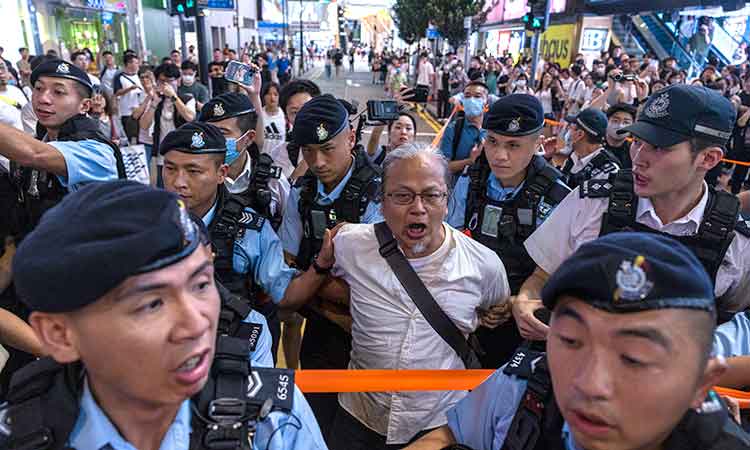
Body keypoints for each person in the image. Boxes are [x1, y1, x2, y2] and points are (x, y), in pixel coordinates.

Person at [0, 180, 329, 450]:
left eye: (200, 284)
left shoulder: (273, 420)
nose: (196, 323)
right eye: (152, 304)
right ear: (60, 334)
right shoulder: (18, 435)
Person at [406, 232, 750, 450]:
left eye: (633, 358)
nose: (588, 383)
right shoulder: (524, 387)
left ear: (700, 383)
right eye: (571, 340)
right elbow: (449, 436)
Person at [516, 84, 750, 343]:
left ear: (709, 159)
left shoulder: (735, 243)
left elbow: (737, 324)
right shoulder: (591, 202)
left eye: (660, 148)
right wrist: (526, 304)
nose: (639, 157)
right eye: (637, 141)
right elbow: (541, 276)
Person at [322, 143, 510, 449]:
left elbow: (496, 309)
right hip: (359, 417)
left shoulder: (483, 266)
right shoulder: (350, 245)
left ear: (447, 202)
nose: (418, 208)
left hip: (437, 424)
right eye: (402, 195)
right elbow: (317, 283)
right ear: (382, 203)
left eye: (431, 195)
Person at [0, 59, 125, 398]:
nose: (44, 99)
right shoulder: (31, 153)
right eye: (39, 89)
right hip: (39, 298)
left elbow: (33, 154)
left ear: (85, 105)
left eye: (58, 92)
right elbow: (20, 237)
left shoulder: (94, 151)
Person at [279, 94, 384, 440]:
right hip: (322, 333)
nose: (318, 161)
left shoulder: (379, 191)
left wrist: (312, 282)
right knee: (318, 424)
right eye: (308, 151)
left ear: (351, 138)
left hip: (375, 339)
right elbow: (285, 267)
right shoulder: (302, 192)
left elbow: (377, 289)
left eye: (327, 149)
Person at [447, 94, 571, 368]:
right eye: (492, 142)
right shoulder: (470, 182)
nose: (500, 156)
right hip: (469, 307)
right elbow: (451, 243)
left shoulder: (558, 198)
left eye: (514, 145)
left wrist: (517, 302)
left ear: (537, 143)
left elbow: (560, 272)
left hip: (525, 322)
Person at [139, 62, 196, 184]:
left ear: (177, 81)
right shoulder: (157, 100)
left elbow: (190, 117)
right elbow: (144, 125)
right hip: (163, 156)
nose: (165, 85)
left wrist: (174, 97)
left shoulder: (186, 98)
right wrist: (154, 103)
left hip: (184, 153)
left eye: (169, 81)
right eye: (161, 81)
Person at [559, 107, 620, 191]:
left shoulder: (608, 171)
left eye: (570, 128)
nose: (568, 131)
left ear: (580, 134)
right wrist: (548, 158)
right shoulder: (574, 156)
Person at [272, 79, 322, 180]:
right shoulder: (280, 154)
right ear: (286, 117)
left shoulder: (336, 145)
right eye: (295, 112)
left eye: (308, 109)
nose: (302, 117)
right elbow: (282, 193)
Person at [439, 81, 489, 179]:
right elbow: (444, 167)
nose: (471, 100)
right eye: (467, 96)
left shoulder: (493, 131)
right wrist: (470, 161)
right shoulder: (453, 129)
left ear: (486, 102)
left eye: (477, 96)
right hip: (457, 190)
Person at [113, 52, 143, 144]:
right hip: (127, 112)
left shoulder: (140, 76)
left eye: (137, 63)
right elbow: (117, 93)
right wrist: (130, 88)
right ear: (128, 64)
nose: (137, 65)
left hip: (141, 110)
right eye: (135, 63)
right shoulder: (119, 77)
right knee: (132, 136)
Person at [603, 102, 637, 170]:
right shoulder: (595, 144)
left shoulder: (634, 150)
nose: (620, 126)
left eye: (626, 122)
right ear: (607, 121)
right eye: (615, 121)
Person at [260, 82, 287, 153]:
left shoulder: (285, 115)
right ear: (264, 96)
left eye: (275, 94)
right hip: (262, 158)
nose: (272, 97)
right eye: (269, 94)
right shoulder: (259, 115)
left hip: (280, 159)